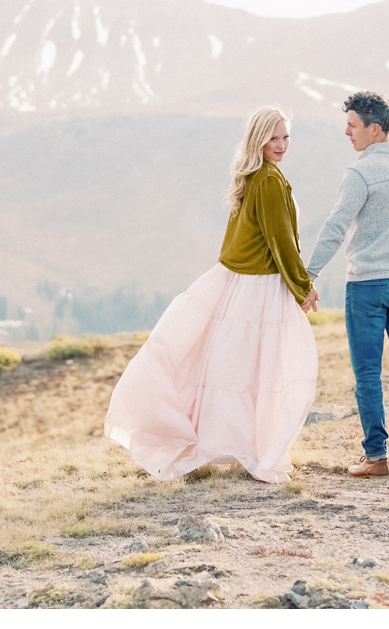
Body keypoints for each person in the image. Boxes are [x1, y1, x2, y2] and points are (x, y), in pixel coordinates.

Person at [103, 106, 319, 484]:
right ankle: (248, 447)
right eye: (274, 137)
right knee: (264, 371)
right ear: (258, 139)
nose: (282, 145)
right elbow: (281, 241)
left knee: (238, 373)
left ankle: (239, 444)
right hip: (260, 287)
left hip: (242, 283)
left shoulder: (254, 175)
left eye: (286, 137)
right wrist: (303, 286)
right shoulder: (268, 180)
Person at [303, 91, 389, 477]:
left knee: (368, 373)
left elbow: (335, 228)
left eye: (352, 126)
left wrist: (307, 275)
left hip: (366, 284)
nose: (347, 134)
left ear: (374, 128)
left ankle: (376, 457)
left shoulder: (360, 173)